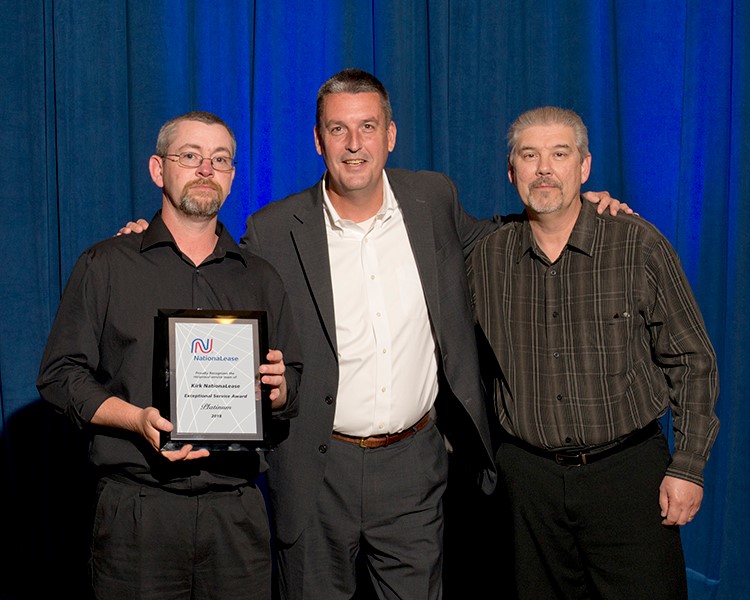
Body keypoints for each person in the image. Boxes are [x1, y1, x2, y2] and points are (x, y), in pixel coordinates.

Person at [121, 71, 627, 599]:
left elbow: (503, 238)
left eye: (368, 126)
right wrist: (155, 235)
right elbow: (216, 267)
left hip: (415, 463)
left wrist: (578, 206)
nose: (354, 144)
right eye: (338, 129)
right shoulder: (274, 229)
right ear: (318, 140)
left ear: (391, 135)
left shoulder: (433, 199)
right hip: (317, 467)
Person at [37, 111, 302, 600]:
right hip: (138, 512)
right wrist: (136, 419)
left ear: (232, 176)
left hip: (235, 513)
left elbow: (292, 384)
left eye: (220, 159)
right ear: (159, 170)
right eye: (191, 156)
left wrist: (283, 391)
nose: (206, 168)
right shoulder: (107, 265)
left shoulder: (260, 277)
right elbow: (59, 376)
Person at [467, 106, 720, 599]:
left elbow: (693, 361)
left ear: (583, 168)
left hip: (627, 476)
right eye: (530, 155)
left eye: (559, 154)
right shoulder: (485, 256)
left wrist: (688, 466)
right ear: (511, 170)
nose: (544, 169)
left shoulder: (637, 245)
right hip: (528, 484)